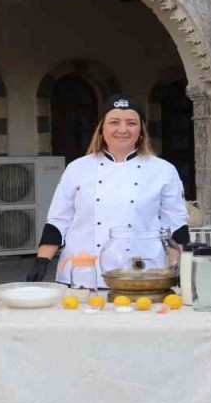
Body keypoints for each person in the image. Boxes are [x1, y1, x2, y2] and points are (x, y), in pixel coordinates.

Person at [26, 95, 190, 286]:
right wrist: (42, 260)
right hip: (83, 269)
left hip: (144, 271)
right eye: (114, 122)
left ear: (141, 130)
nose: (123, 129)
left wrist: (180, 268)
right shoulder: (77, 168)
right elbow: (58, 221)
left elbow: (175, 225)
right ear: (102, 129)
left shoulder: (163, 170)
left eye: (131, 123)